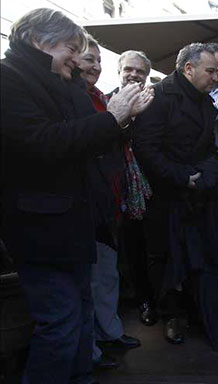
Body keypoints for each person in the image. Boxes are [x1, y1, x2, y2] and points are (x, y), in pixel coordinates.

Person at [1, 8, 152, 383]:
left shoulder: (58, 83)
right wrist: (112, 118)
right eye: (71, 48)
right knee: (60, 324)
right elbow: (44, 143)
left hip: (73, 224)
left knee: (81, 317)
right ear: (40, 40)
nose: (75, 57)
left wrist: (122, 119)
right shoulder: (8, 80)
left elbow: (87, 140)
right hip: (40, 229)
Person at [133, 42, 218, 350]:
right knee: (166, 257)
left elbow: (210, 149)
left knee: (199, 256)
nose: (217, 75)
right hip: (165, 196)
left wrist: (205, 174)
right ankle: (171, 315)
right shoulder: (158, 96)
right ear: (188, 69)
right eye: (210, 70)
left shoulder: (205, 102)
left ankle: (196, 311)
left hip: (198, 195)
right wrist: (183, 177)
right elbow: (145, 148)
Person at [78, 35, 142, 370]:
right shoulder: (72, 98)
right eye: (88, 59)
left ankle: (109, 332)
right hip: (86, 201)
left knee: (106, 273)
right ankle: (90, 351)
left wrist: (129, 118)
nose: (94, 66)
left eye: (97, 60)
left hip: (109, 197)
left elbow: (113, 140)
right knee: (88, 282)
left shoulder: (98, 96)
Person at [109, 49, 158, 328]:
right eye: (129, 69)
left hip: (152, 188)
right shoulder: (106, 101)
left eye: (140, 71)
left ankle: (149, 299)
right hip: (117, 189)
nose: (134, 75)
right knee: (125, 249)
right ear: (119, 71)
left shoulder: (155, 103)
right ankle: (132, 298)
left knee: (147, 247)